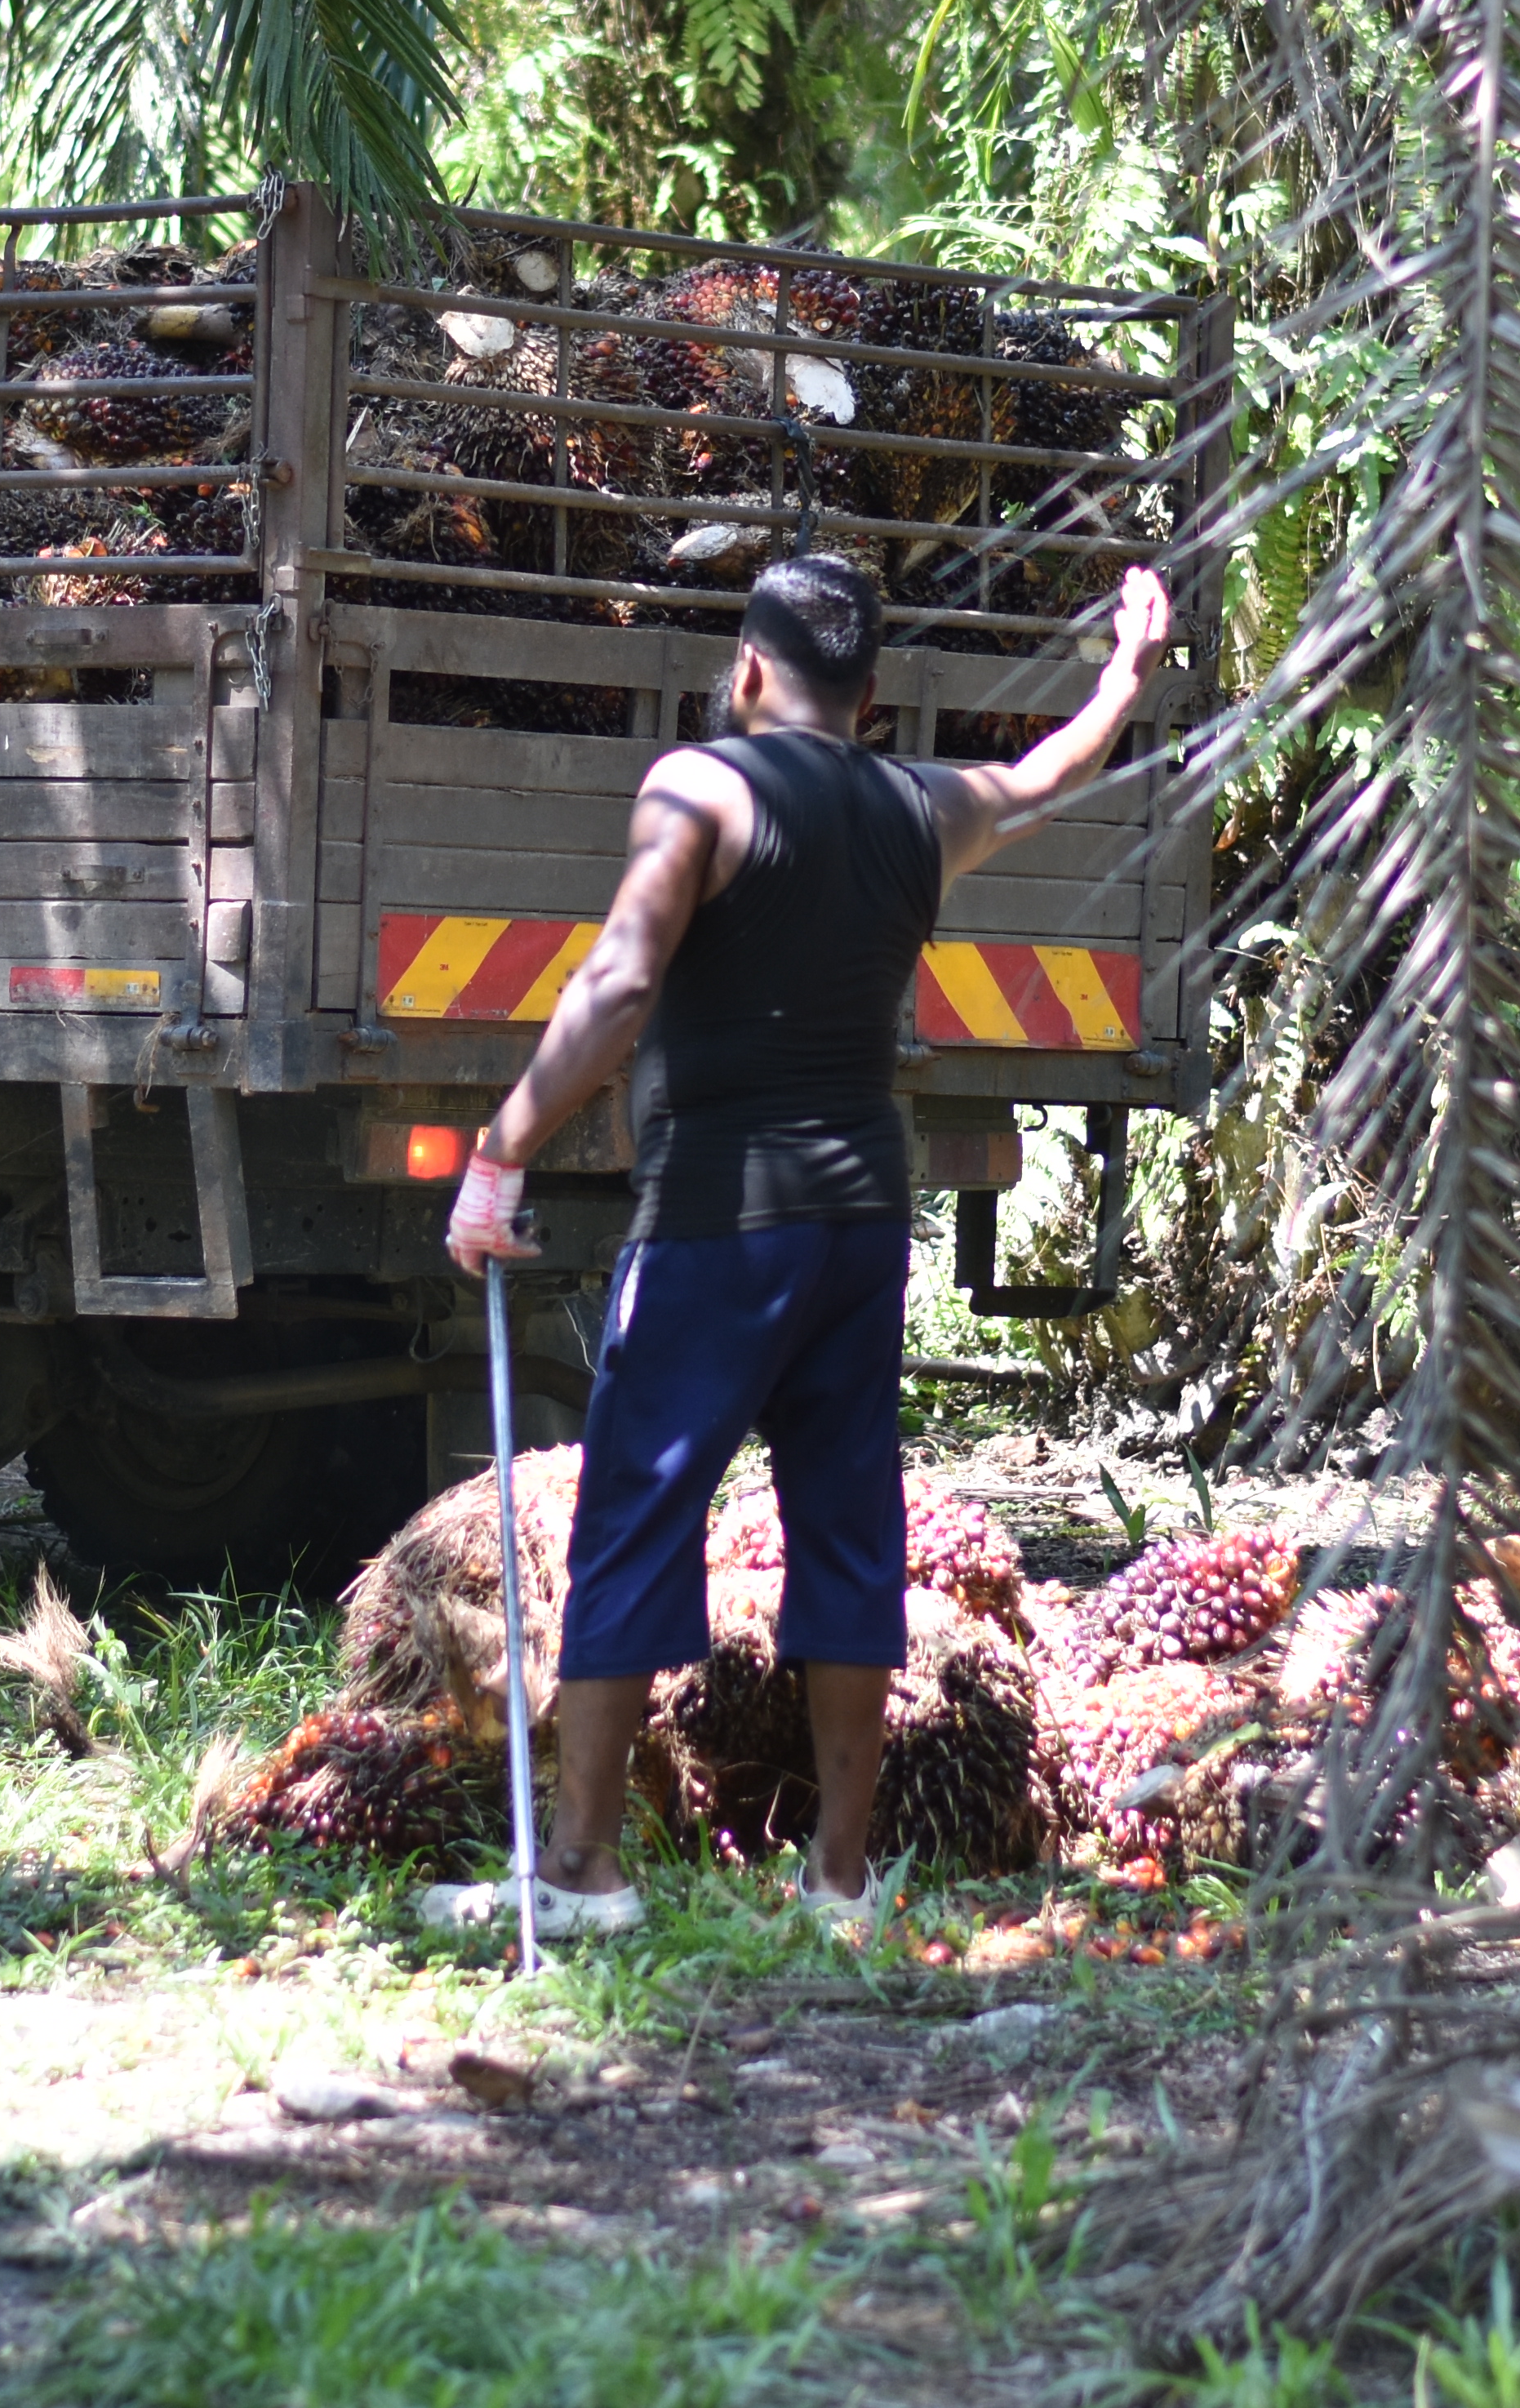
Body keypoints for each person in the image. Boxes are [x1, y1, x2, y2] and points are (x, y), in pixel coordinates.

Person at [422, 550, 1178, 1939]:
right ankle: (837, 1879)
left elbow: (621, 982)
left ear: (751, 671)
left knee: (634, 1520)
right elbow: (1045, 777)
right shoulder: (917, 807)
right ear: (875, 696)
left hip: (719, 1220)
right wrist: (1124, 675)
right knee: (848, 1528)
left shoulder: (699, 787)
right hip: (862, 1224)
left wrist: (503, 1148)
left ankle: (581, 1874)